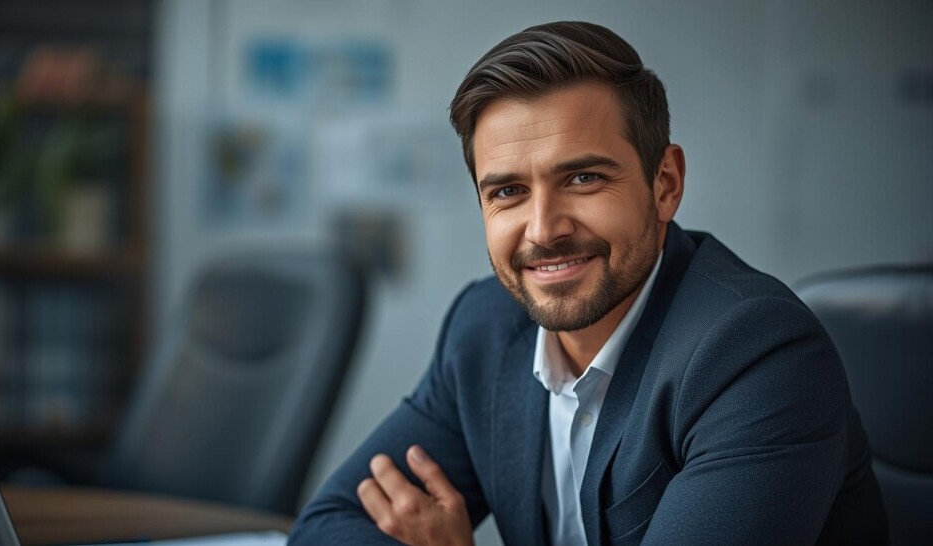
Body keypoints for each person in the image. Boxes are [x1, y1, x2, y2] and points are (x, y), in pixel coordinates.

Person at [287, 21, 888, 546]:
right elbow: (329, 524)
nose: (543, 230)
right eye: (507, 192)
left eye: (581, 178)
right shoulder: (483, 328)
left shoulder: (758, 356)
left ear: (665, 184)